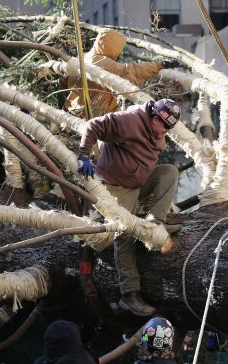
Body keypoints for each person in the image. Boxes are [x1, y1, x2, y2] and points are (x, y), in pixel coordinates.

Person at [77, 98, 180, 316]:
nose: (165, 131)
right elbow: (94, 125)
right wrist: (84, 155)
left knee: (169, 171)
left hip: (138, 182)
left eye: (169, 128)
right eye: (163, 125)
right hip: (114, 187)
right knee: (123, 233)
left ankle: (155, 225)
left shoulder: (159, 132)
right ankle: (129, 294)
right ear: (153, 115)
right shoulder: (129, 121)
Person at [62, 29, 179, 117]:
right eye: (119, 50)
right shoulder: (102, 62)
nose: (120, 55)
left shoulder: (82, 57)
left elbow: (63, 81)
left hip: (73, 110)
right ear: (111, 46)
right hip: (92, 115)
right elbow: (131, 72)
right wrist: (160, 65)